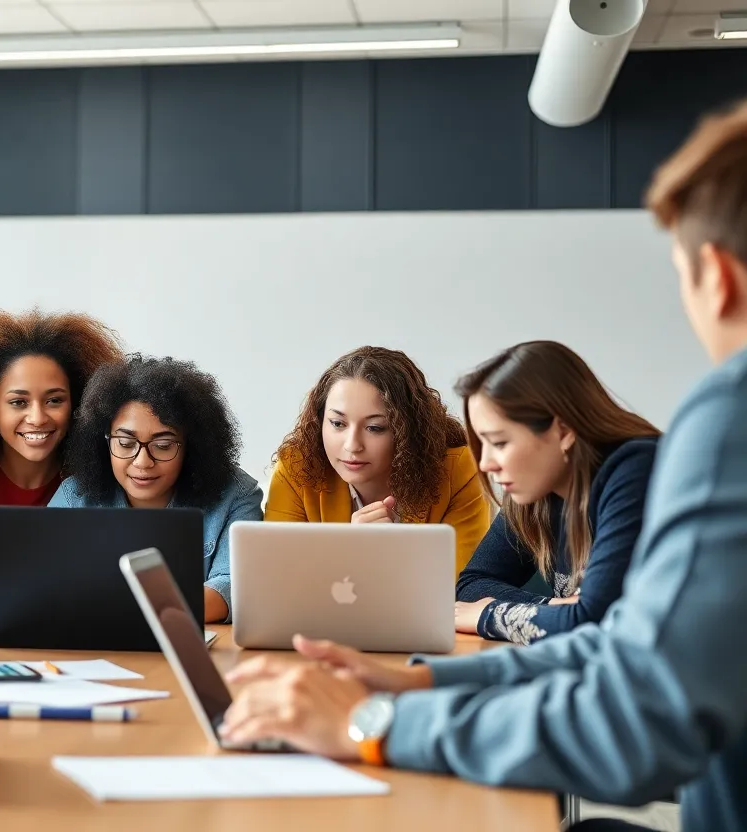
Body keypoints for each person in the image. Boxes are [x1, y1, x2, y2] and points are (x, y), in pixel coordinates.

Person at [218, 101, 747, 832]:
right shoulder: (549, 490)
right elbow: (611, 644)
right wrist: (419, 680)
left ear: (716, 277)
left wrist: (372, 723)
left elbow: (635, 719)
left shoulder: (725, 420)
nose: (491, 465)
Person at [453, 342, 660, 644]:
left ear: (563, 431)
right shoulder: (536, 489)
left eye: (498, 443)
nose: (485, 464)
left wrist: (490, 615)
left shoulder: (637, 469)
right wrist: (552, 607)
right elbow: (472, 585)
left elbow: (596, 621)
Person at [0, 308, 125, 617]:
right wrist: (22, 603)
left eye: (54, 400)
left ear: (80, 404)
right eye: (18, 402)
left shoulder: (101, 464)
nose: (37, 418)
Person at [49, 355, 263, 624]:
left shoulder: (235, 495)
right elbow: (42, 581)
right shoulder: (75, 496)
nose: (142, 462)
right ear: (104, 441)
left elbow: (234, 587)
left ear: (192, 447)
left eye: (163, 446)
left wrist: (115, 609)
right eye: (125, 444)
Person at [265, 346, 491, 577]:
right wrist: (348, 551)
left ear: (408, 431)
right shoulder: (297, 467)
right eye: (337, 424)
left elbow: (461, 585)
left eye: (375, 428)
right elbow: (276, 578)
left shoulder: (459, 471)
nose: (352, 445)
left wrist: (388, 555)